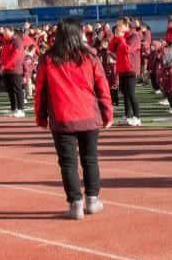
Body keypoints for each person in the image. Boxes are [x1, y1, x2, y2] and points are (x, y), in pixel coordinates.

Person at [35, 17, 113, 220]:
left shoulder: (48, 59)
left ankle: (75, 203)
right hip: (88, 115)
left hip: (62, 117)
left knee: (68, 162)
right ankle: (92, 200)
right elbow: (102, 86)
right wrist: (107, 113)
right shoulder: (90, 57)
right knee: (90, 159)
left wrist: (41, 117)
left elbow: (41, 91)